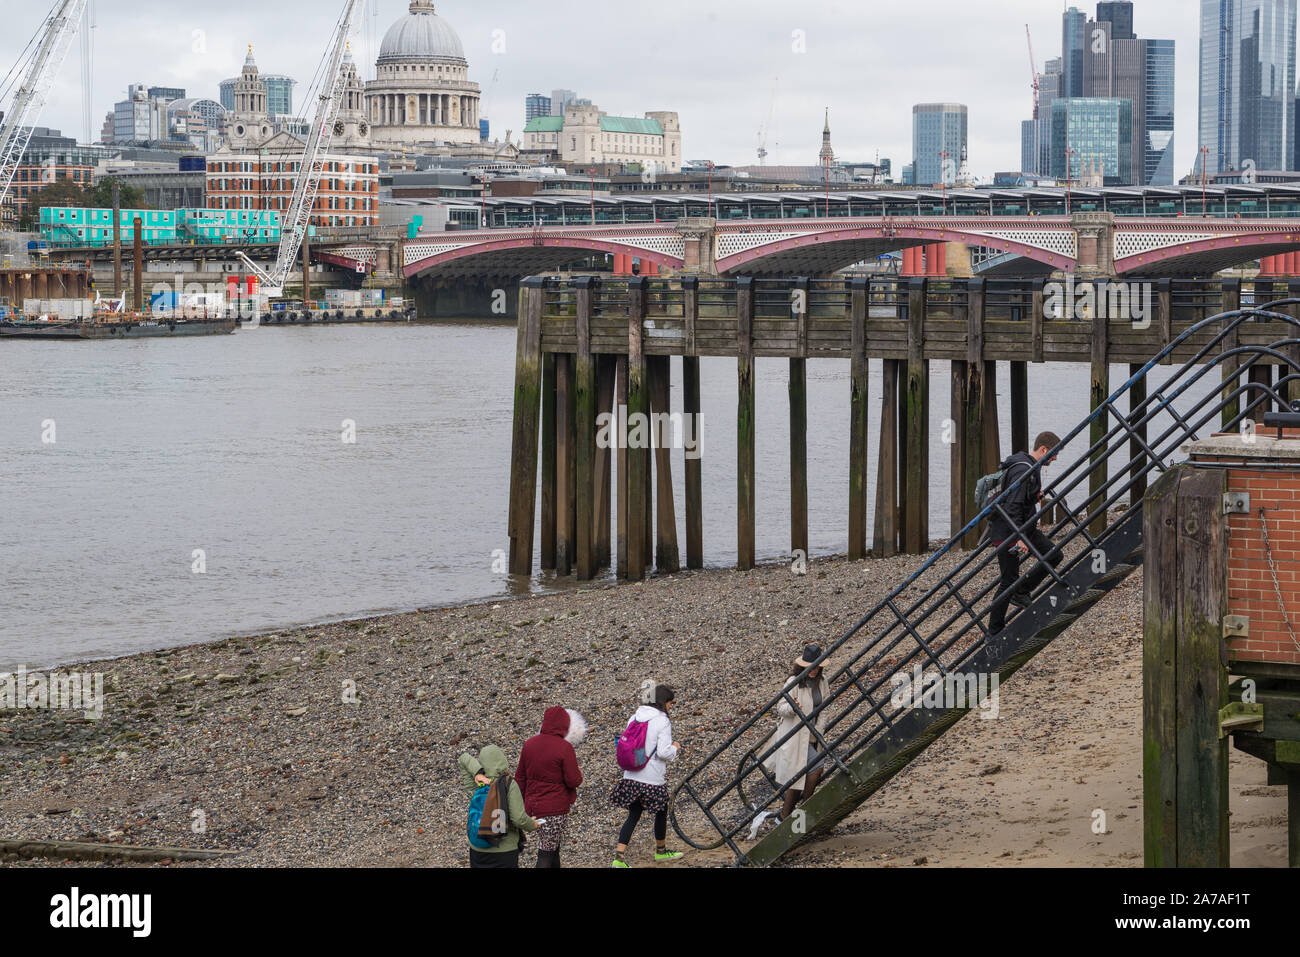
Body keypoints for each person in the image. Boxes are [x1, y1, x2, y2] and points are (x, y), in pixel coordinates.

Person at [988, 431, 1065, 635]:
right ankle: (994, 631)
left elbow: (1018, 500)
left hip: (1023, 528)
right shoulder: (1025, 470)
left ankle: (1022, 591)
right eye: (1054, 453)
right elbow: (1012, 507)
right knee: (1008, 580)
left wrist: (1032, 497)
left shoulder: (1027, 465)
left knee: (1054, 554)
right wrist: (1018, 538)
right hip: (1009, 532)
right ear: (1044, 449)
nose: (1056, 458)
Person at [609, 685, 684, 867]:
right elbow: (664, 752)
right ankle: (661, 852)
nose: (671, 706)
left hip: (632, 773)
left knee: (633, 814)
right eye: (670, 703)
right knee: (660, 811)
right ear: (663, 702)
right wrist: (676, 747)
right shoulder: (662, 721)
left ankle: (618, 858)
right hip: (652, 776)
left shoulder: (634, 717)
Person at [762, 645, 832, 825]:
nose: (813, 670)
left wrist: (819, 731)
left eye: (816, 667)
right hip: (794, 736)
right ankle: (805, 808)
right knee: (815, 766)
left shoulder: (822, 682)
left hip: (811, 735)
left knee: (798, 775)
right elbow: (780, 708)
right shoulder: (793, 681)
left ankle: (784, 817)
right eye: (810, 666)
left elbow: (824, 708)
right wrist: (794, 708)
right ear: (803, 666)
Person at [515, 706, 587, 868]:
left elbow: (520, 777)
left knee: (553, 848)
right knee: (546, 853)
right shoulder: (564, 747)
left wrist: (520, 805)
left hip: (532, 807)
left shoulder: (529, 744)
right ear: (565, 725)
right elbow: (574, 780)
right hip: (554, 809)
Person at [458, 745, 537, 868]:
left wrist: (478, 772)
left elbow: (463, 758)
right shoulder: (508, 784)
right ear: (502, 760)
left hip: (477, 849)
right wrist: (532, 825)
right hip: (503, 850)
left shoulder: (478, 785)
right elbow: (518, 818)